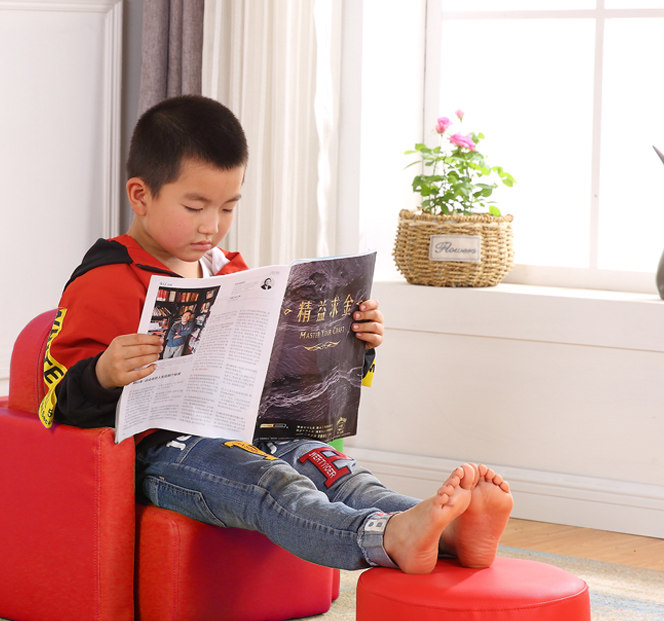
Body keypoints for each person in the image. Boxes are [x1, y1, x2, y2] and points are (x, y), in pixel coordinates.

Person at [39, 95, 513, 573]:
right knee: (269, 483)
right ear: (140, 196)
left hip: (248, 429)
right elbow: (53, 401)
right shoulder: (103, 280)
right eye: (195, 206)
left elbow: (278, 371)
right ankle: (386, 538)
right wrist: (103, 374)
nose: (213, 226)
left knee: (329, 466)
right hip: (163, 454)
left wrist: (354, 344)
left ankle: (447, 531)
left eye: (228, 207)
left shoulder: (230, 271)